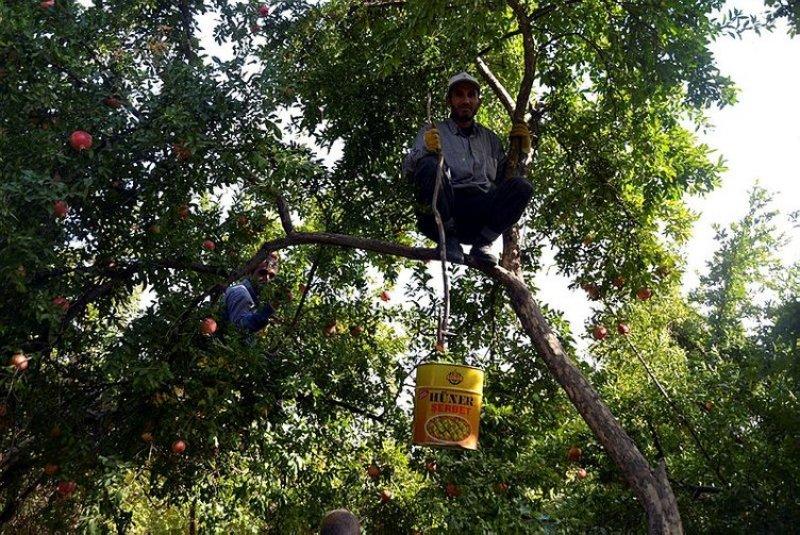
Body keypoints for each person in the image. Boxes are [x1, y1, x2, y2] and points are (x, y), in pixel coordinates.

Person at [402, 72, 534, 265]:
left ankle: (483, 244)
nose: (465, 100)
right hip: (445, 211)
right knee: (429, 165)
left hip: (480, 217)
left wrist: (523, 151)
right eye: (459, 95)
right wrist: (425, 150)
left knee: (522, 187)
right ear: (449, 101)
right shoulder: (433, 131)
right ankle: (449, 239)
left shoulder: (491, 140)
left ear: (479, 102)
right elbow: (408, 170)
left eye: (471, 95)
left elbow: (507, 179)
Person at [221, 252, 280, 333]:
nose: (267, 279)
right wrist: (269, 309)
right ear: (250, 272)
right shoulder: (241, 292)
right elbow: (240, 329)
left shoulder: (255, 298)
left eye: (271, 276)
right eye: (262, 272)